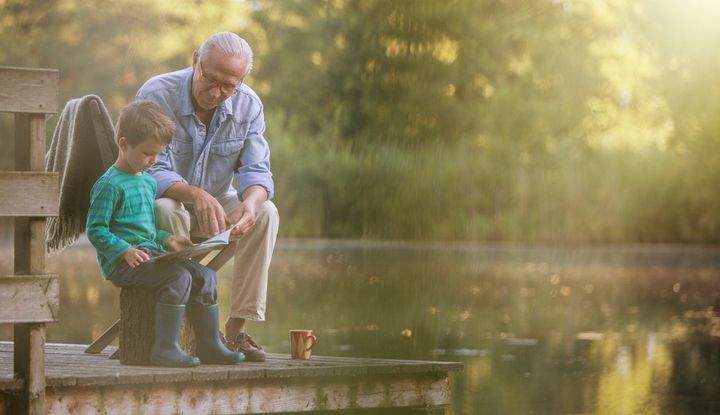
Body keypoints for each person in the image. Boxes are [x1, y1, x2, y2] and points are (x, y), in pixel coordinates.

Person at [136, 32, 279, 362]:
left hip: (217, 205)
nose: (217, 93)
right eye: (210, 79)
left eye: (229, 86)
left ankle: (232, 333)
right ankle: (172, 336)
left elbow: (257, 173)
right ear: (196, 61)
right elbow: (149, 172)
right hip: (165, 205)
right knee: (166, 208)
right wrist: (194, 194)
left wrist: (251, 205)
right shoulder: (157, 94)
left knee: (267, 212)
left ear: (241, 81)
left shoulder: (250, 105)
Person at [86, 100, 245, 367]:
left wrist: (167, 239)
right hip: (123, 264)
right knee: (178, 277)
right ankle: (165, 348)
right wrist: (124, 250)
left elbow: (145, 230)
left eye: (158, 154)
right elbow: (96, 230)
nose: (154, 161)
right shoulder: (109, 185)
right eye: (148, 153)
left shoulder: (147, 181)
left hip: (150, 254)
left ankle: (209, 346)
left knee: (205, 275)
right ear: (123, 144)